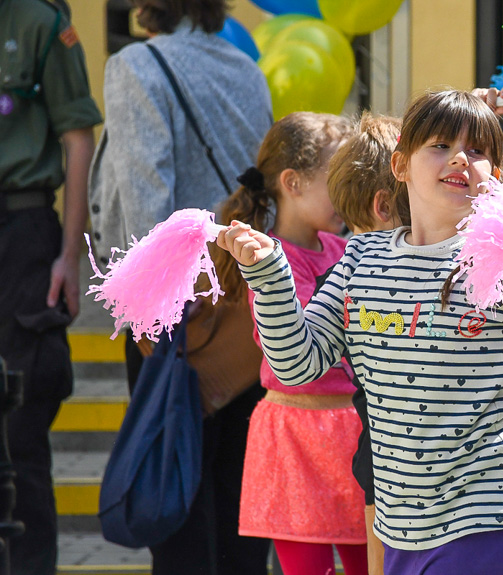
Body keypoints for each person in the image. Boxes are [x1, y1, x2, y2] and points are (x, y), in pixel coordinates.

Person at [218, 89, 503, 575]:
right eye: (439, 144)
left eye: (477, 151)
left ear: (496, 177)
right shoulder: (360, 259)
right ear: (400, 166)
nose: (460, 157)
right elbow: (296, 365)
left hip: (494, 521)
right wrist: (270, 278)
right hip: (402, 530)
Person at [87, 0, 272, 573]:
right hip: (247, 311)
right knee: (241, 501)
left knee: (176, 501)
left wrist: (146, 322)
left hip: (175, 312)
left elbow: (147, 201)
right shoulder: (247, 67)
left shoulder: (135, 65)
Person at [212, 112, 367, 575]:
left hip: (354, 431)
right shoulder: (269, 260)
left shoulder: (343, 248)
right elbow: (297, 344)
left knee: (369, 562)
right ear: (293, 183)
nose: (348, 195)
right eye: (338, 180)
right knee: (306, 566)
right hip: (295, 437)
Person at [0, 0, 101, 572]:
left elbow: (77, 137)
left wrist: (69, 252)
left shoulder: (38, 22)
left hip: (22, 233)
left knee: (20, 430)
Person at [325, 112, 405, 575]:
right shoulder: (366, 272)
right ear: (386, 206)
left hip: (378, 462)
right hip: (387, 469)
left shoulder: (351, 264)